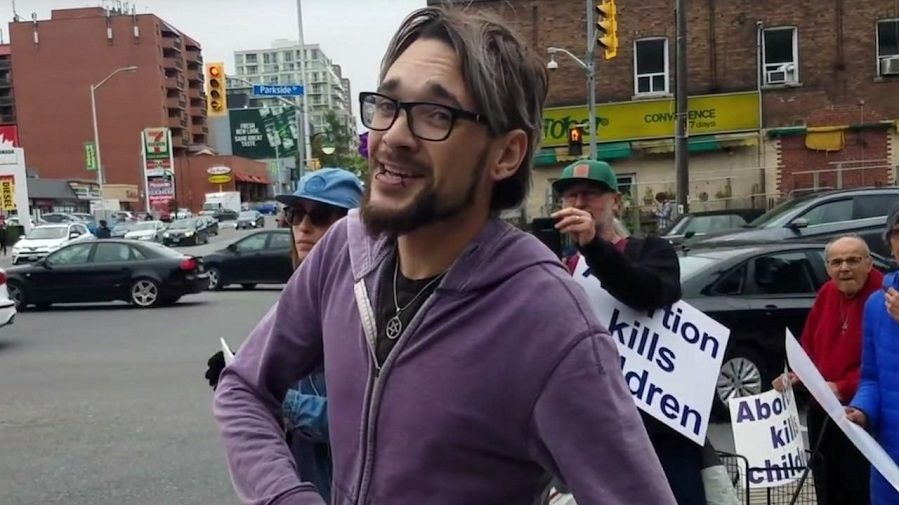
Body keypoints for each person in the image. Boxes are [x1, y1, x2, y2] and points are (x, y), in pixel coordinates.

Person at [214, 7, 675, 505]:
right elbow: (242, 389)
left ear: (506, 154)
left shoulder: (547, 321)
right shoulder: (344, 250)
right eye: (387, 104)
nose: (392, 136)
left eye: (436, 114)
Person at [551, 160, 706, 504]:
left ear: (615, 202)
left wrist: (593, 245)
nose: (579, 204)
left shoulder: (651, 251)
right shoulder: (557, 264)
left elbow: (645, 293)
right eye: (570, 196)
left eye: (591, 195)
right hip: (591, 423)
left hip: (656, 426)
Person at [205, 168, 363, 502]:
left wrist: (284, 401)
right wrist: (248, 368)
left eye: (320, 216)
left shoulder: (365, 303)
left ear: (353, 226)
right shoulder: (301, 292)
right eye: (295, 214)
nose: (303, 227)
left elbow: (365, 420)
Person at [774, 235, 882, 505]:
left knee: (858, 488)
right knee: (826, 484)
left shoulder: (883, 296)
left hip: (862, 412)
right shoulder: (827, 293)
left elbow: (884, 361)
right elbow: (809, 344)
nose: (844, 268)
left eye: (853, 260)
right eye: (836, 262)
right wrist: (797, 375)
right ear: (828, 269)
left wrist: (843, 385)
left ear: (869, 264)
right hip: (822, 408)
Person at [847, 206, 899, 505]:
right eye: (898, 233)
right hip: (888, 459)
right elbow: (872, 378)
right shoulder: (877, 305)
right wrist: (861, 409)